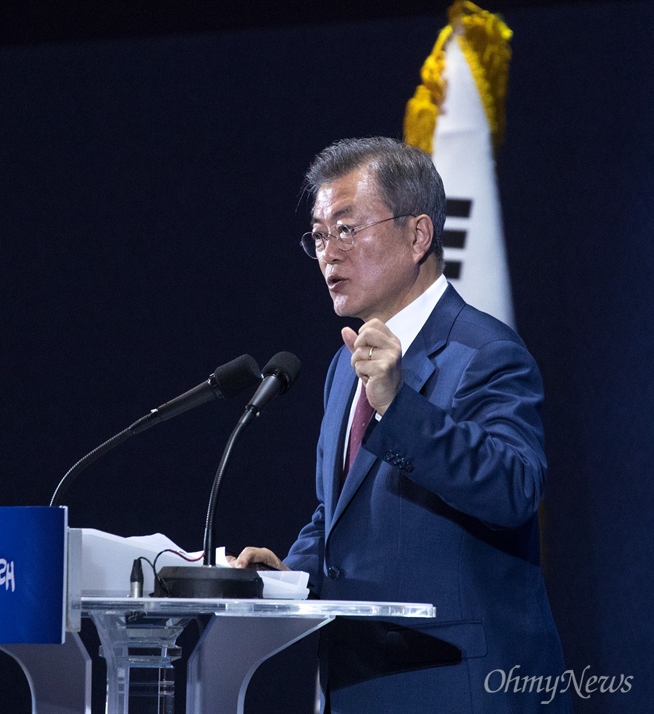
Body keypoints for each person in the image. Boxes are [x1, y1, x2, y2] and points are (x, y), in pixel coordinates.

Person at [234, 137, 568, 712]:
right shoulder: (346, 364)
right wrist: (291, 573)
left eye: (345, 228)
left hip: (458, 689)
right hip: (359, 685)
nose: (327, 254)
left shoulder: (486, 352)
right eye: (318, 235)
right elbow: (338, 512)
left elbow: (515, 489)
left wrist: (400, 405)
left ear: (418, 235)